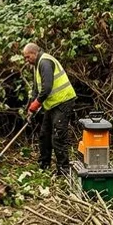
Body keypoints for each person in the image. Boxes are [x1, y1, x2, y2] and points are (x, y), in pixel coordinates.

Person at [23, 43, 76, 175]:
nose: (26, 60)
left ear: (34, 53)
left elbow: (46, 88)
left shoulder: (45, 62)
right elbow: (36, 90)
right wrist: (30, 108)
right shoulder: (37, 66)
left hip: (63, 101)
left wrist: (36, 105)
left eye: (27, 57)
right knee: (44, 135)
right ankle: (43, 164)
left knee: (58, 136)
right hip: (52, 104)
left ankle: (63, 170)